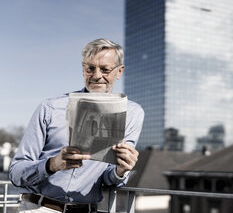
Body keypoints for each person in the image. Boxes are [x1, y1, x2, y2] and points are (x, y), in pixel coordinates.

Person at [9, 38, 144, 213]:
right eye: (90, 68)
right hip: (39, 208)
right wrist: (52, 164)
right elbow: (15, 173)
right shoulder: (50, 108)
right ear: (83, 69)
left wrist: (121, 170)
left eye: (105, 69)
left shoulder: (133, 113)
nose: (96, 75)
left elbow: (110, 178)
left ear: (119, 72)